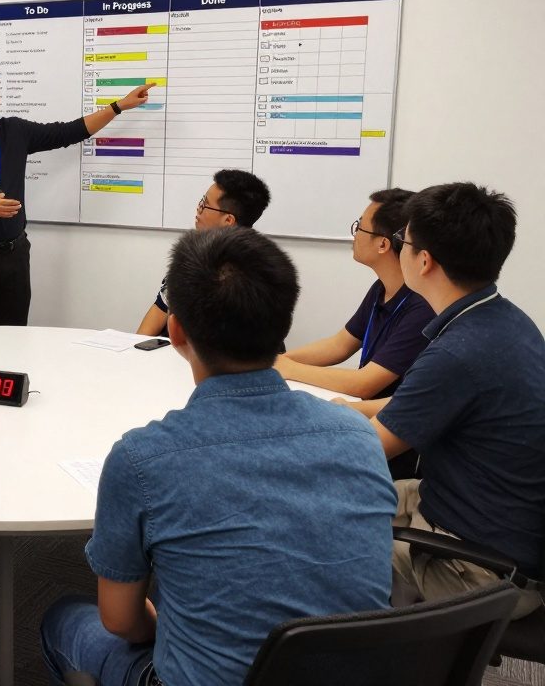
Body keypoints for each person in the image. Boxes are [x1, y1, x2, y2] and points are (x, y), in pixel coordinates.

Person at [41, 227, 395, 686]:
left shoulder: (142, 459)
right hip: (355, 673)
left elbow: (121, 621)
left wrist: (168, 630)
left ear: (176, 330)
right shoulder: (357, 435)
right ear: (282, 326)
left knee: (63, 617)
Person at [370, 182, 545, 619]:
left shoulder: (459, 352)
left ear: (423, 260)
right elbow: (414, 407)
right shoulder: (502, 319)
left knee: (316, 532)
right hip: (470, 512)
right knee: (337, 499)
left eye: (403, 242)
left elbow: (366, 448)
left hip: (480, 570)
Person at [0, 59, 155, 326]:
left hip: (15, 256)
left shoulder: (15, 131)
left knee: (14, 339)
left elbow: (68, 132)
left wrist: (118, 107)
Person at [276, 188, 435, 402]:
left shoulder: (422, 307)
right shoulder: (382, 288)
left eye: (360, 227)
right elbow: (339, 345)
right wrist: (278, 360)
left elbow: (365, 384)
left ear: (383, 244)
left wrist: (288, 368)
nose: (355, 233)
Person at [135, 168, 270, 336]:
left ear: (228, 220)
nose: (198, 210)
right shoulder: (192, 257)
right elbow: (159, 310)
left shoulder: (256, 275)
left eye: (205, 205)